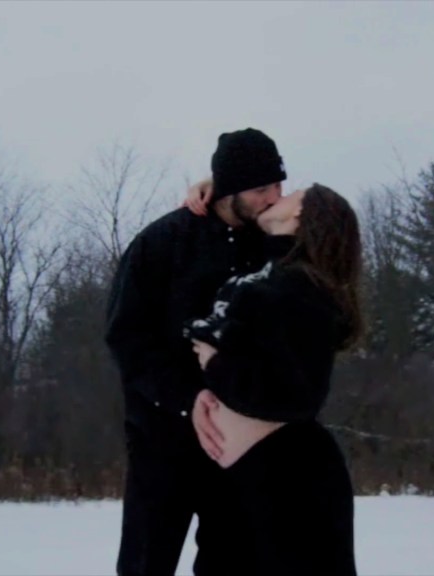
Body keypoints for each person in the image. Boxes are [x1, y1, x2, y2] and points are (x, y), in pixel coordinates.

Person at [104, 127, 287, 576]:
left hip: (237, 443)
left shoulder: (274, 247)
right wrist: (188, 397)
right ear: (228, 188)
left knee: (233, 564)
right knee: (146, 563)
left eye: (278, 185)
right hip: (161, 440)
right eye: (261, 188)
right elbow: (127, 338)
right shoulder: (160, 243)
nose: (274, 198)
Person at [182, 182, 363, 575]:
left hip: (288, 484)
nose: (277, 196)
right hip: (244, 480)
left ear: (301, 213)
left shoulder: (302, 288)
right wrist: (215, 187)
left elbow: (297, 396)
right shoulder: (270, 276)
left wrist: (216, 366)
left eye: (290, 193)